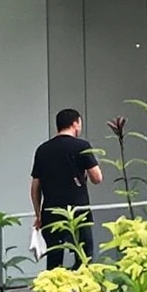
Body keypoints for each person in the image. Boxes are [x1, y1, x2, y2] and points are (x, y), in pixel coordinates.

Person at [30, 108, 101, 268]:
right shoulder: (82, 146)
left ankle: (55, 291)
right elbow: (97, 178)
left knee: (54, 258)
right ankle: (82, 289)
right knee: (84, 257)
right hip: (78, 210)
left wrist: (38, 215)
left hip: (51, 211)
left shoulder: (42, 150)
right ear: (75, 124)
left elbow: (35, 188)